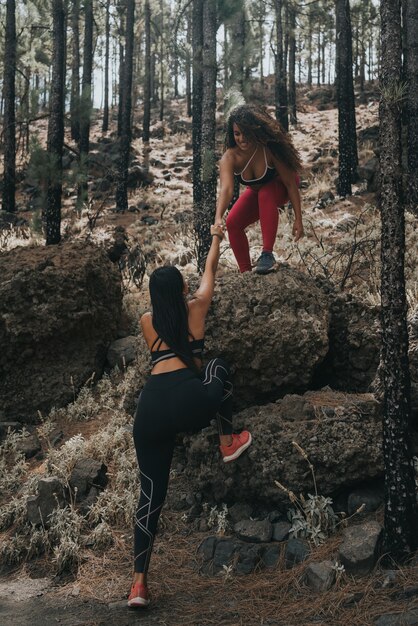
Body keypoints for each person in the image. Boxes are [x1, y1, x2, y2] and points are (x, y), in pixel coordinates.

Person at [127, 224, 252, 608]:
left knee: (150, 498)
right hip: (188, 403)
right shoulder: (195, 307)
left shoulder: (147, 322)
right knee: (220, 366)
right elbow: (211, 270)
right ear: (181, 289)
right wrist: (216, 236)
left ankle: (137, 586)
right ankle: (228, 440)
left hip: (149, 412)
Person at [215, 104, 304, 274]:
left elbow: (290, 183)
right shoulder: (229, 157)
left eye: (246, 133)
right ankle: (246, 272)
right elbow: (226, 189)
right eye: (237, 134)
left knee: (266, 192)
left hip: (280, 188)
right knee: (232, 222)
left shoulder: (269, 148)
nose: (242, 138)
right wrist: (218, 217)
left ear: (255, 130)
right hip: (258, 192)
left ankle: (267, 254)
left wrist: (298, 220)